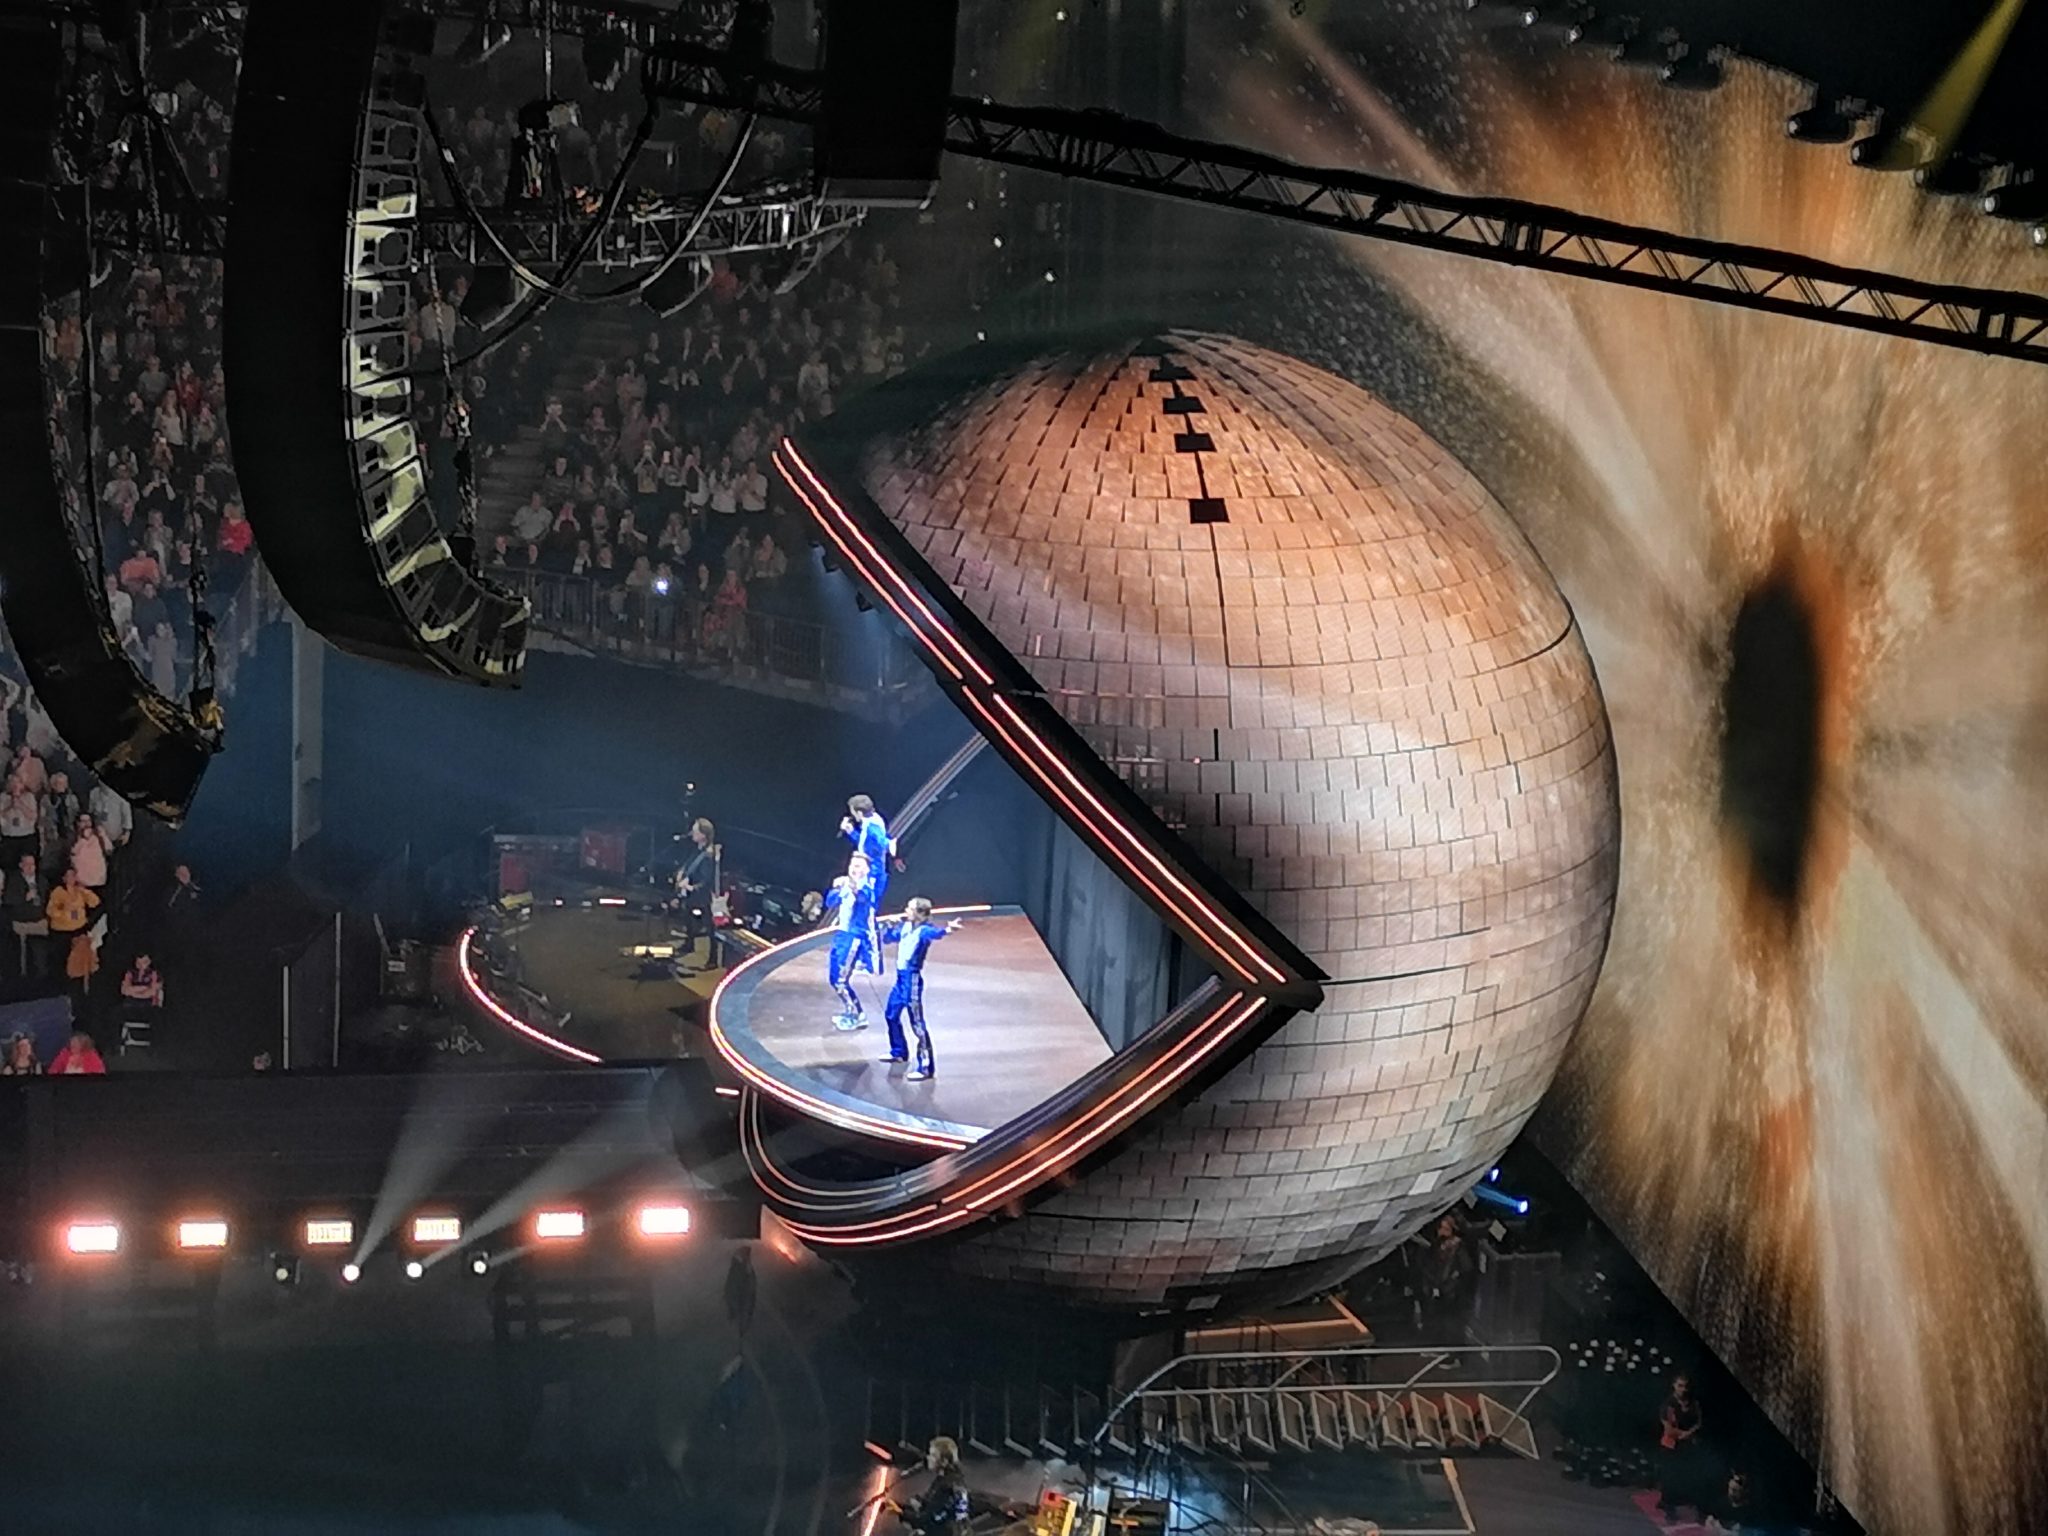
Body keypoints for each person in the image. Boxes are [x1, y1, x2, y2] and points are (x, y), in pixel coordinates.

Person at [877, 898, 961, 1081]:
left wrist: (948, 930)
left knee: (917, 1023)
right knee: (891, 1014)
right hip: (900, 978)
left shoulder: (924, 931)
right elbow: (888, 939)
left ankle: (925, 1066)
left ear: (920, 913)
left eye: (910, 908)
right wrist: (889, 926)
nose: (906, 910)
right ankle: (899, 1051)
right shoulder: (906, 927)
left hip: (912, 979)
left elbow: (936, 933)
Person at [820, 852, 880, 1031]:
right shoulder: (845, 885)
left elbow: (862, 897)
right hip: (842, 935)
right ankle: (850, 1011)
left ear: (867, 870)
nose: (854, 869)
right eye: (852, 865)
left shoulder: (867, 888)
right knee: (834, 977)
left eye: (859, 866)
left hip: (854, 938)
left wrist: (850, 884)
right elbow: (830, 902)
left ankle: (857, 1015)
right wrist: (837, 888)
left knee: (839, 979)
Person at [1656, 1373, 1706, 1521]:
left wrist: (1688, 1434)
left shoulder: (1694, 1403)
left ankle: (1691, 1503)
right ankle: (1669, 1508)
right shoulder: (1668, 1405)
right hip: (1671, 1446)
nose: (1683, 1389)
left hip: (1688, 1444)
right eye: (1680, 1386)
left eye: (1685, 1386)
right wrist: (1683, 1434)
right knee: (1670, 1477)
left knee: (1689, 1474)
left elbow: (1699, 1423)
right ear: (1674, 1386)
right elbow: (1669, 1430)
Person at [895, 1437, 969, 1536]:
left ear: (944, 1461)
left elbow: (926, 1519)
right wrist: (903, 1507)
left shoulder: (946, 1485)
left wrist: (899, 1511)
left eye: (933, 1455)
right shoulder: (951, 1478)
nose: (928, 1458)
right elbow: (932, 1508)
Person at [674, 818, 718, 974]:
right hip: (692, 893)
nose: (692, 833)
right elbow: (689, 865)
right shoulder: (698, 850)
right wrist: (682, 872)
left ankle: (713, 959)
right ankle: (689, 943)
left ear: (704, 835)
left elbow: (706, 881)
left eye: (695, 831)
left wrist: (690, 887)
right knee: (687, 916)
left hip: (702, 896)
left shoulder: (708, 855)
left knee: (709, 926)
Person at [840, 794, 896, 908]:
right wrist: (851, 832)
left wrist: (889, 844)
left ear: (859, 813)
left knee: (866, 905)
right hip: (871, 870)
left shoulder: (871, 826)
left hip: (873, 872)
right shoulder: (873, 819)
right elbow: (868, 844)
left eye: (853, 812)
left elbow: (879, 840)